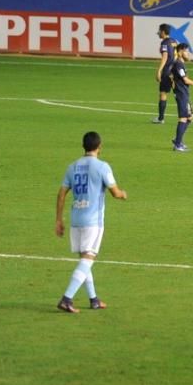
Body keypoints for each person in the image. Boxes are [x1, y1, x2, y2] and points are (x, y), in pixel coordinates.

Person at [55, 131, 127, 313]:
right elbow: (115, 192)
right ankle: (67, 298)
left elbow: (62, 193)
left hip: (76, 219)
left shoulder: (72, 167)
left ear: (84, 146)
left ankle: (94, 299)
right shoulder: (102, 167)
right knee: (88, 258)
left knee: (85, 260)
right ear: (99, 147)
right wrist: (123, 194)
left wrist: (58, 219)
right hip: (92, 221)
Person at [171, 42, 193, 152]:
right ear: (180, 52)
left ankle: (178, 139)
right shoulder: (178, 64)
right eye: (186, 51)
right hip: (181, 94)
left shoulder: (180, 64)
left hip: (184, 93)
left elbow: (171, 76)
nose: (188, 53)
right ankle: (177, 145)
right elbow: (185, 80)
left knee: (190, 117)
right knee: (183, 118)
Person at [152, 24, 175, 124]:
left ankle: (161, 118)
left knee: (163, 93)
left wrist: (159, 70)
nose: (158, 33)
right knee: (180, 92)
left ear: (163, 31)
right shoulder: (174, 41)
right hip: (175, 70)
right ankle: (189, 115)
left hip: (167, 71)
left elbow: (165, 57)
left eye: (159, 31)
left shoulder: (164, 43)